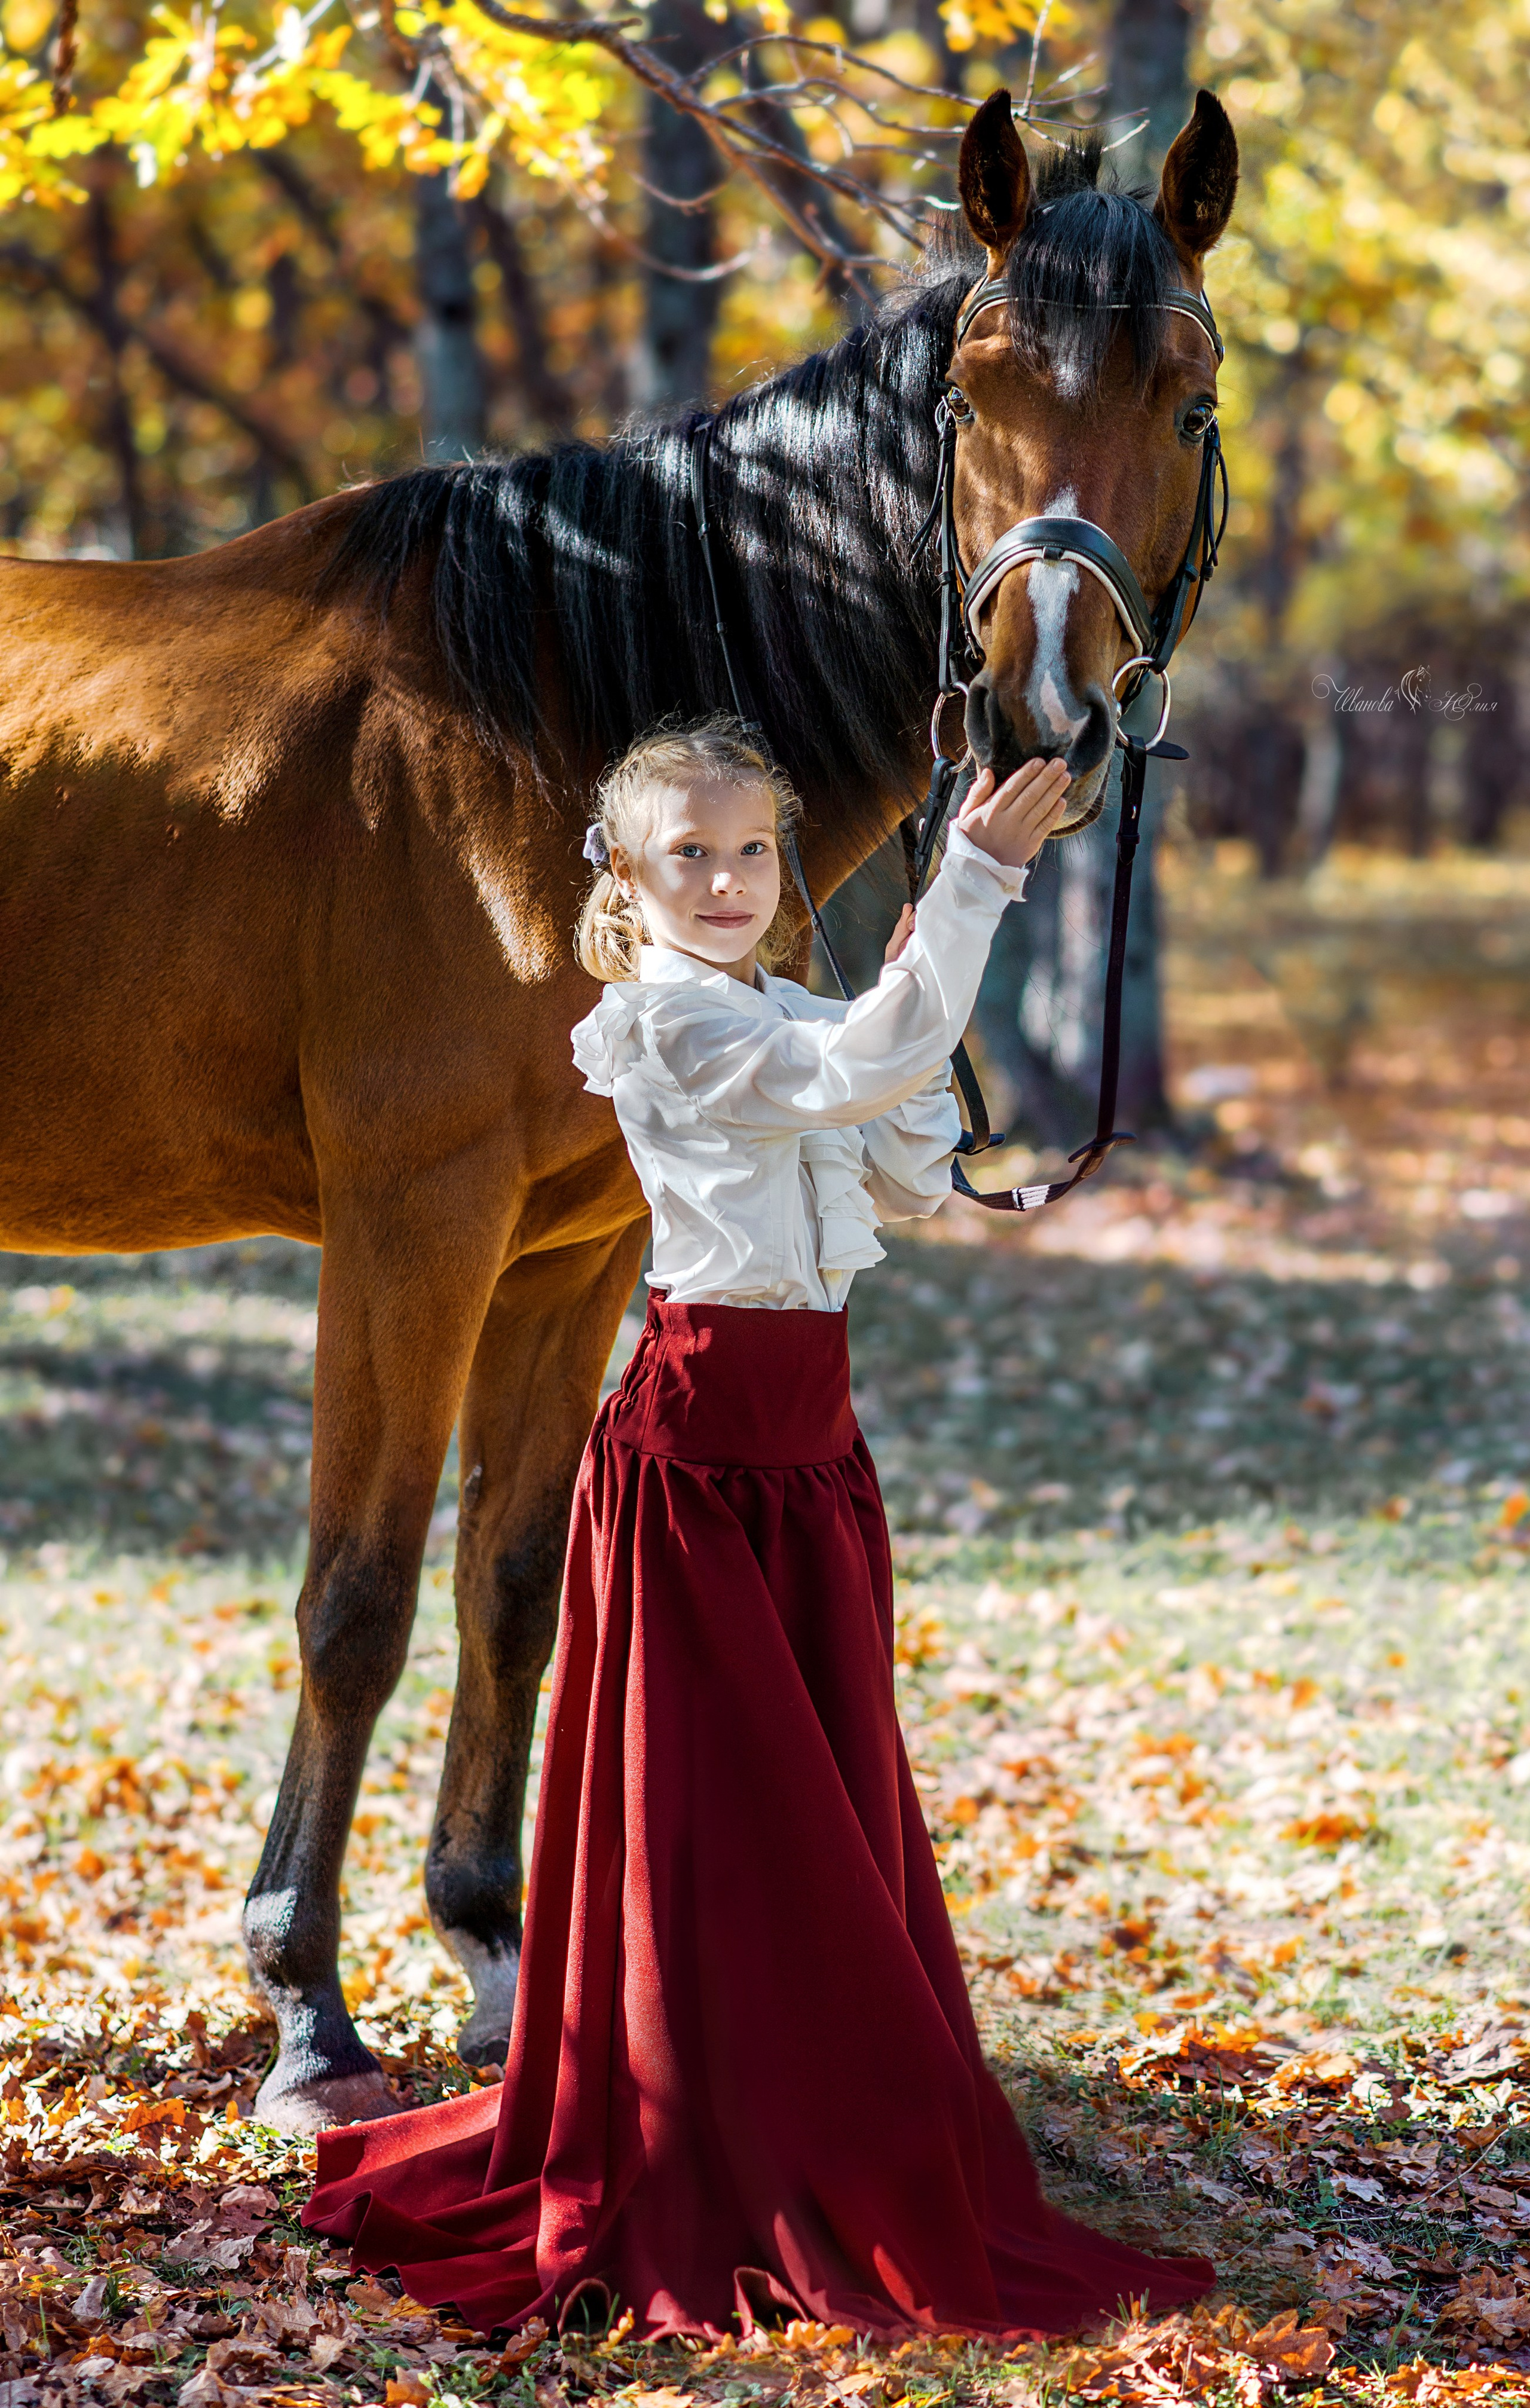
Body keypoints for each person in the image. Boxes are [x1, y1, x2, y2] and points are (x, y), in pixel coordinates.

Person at [301, 717, 1212, 2343]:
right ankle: (698, 2119)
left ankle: (814, 2093)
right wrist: (978, 884)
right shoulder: (651, 1026)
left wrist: (924, 1101)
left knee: (825, 1802)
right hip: (703, 1458)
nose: (723, 882)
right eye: (687, 856)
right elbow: (857, 1068)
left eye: (749, 854)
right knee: (721, 1814)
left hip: (814, 1448)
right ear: (626, 880)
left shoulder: (786, 1006)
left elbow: (902, 1156)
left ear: (783, 870)